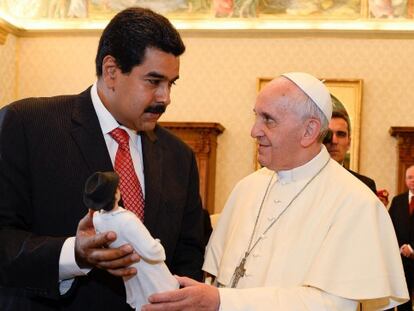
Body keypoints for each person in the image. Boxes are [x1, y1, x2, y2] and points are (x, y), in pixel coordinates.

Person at [141, 72, 409, 311]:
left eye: (268, 120)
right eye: (256, 116)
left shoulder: (356, 203)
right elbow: (216, 277)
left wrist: (223, 302)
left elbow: (332, 305)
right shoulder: (247, 188)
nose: (254, 131)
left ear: (309, 130)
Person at [0, 7, 205, 310]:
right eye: (153, 81)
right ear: (111, 71)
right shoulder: (28, 124)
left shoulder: (180, 157)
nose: (165, 98)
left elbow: (189, 252)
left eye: (171, 83)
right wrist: (74, 253)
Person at [84, 171, 179, 310]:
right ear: (116, 194)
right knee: (158, 301)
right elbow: (150, 250)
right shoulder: (127, 220)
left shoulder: (97, 218)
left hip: (129, 271)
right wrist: (159, 247)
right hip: (148, 272)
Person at [324, 109, 377, 194]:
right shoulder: (303, 182)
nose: (334, 141)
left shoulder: (365, 186)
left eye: (340, 134)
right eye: (328, 134)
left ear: (349, 143)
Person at [388, 165, 414, 311]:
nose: (413, 180)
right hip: (400, 260)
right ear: (405, 180)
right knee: (403, 301)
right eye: (410, 177)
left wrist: (411, 247)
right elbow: (390, 227)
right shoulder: (398, 201)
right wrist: (400, 247)